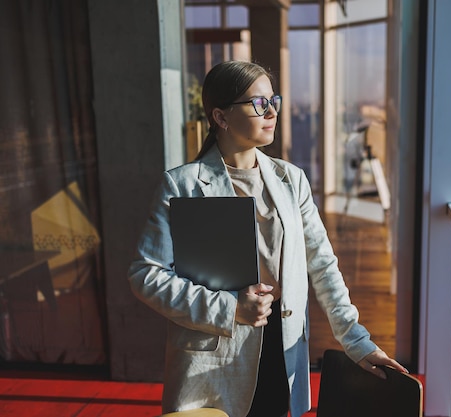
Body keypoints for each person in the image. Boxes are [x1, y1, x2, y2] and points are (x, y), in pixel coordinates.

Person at [128, 60, 407, 417]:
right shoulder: (182, 185)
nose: (271, 110)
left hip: (282, 347)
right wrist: (230, 308)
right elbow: (144, 274)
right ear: (221, 117)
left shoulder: (291, 179)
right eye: (258, 103)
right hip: (215, 350)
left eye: (273, 100)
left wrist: (357, 341)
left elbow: (322, 263)